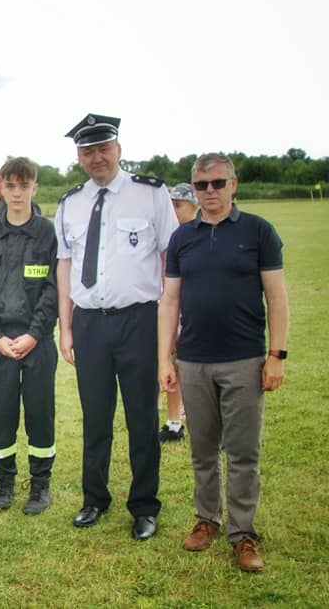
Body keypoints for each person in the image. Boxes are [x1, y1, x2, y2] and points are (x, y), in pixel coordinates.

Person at [159, 152, 288, 572]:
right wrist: (165, 356)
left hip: (245, 359)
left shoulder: (258, 231)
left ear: (233, 184)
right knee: (202, 449)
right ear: (193, 190)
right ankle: (206, 520)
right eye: (201, 185)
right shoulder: (182, 238)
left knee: (243, 452)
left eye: (217, 183)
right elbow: (171, 300)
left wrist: (276, 356)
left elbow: (277, 296)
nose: (209, 192)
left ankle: (243, 534)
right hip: (194, 361)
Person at [55, 114, 176, 540]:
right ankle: (94, 499)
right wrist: (65, 327)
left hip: (139, 321)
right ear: (79, 157)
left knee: (142, 417)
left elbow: (168, 259)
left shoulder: (151, 194)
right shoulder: (70, 203)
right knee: (96, 417)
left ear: (118, 149)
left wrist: (169, 326)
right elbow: (65, 266)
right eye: (87, 151)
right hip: (89, 323)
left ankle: (144, 506)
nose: (96, 157)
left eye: (103, 148)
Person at [0, 157, 58, 513]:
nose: (17, 193)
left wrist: (35, 334)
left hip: (35, 342)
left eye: (24, 186)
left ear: (34, 188)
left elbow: (54, 290)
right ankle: (5, 482)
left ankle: (40, 485)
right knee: (2, 413)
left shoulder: (48, 233)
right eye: (11, 186)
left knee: (40, 414)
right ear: (0, 188)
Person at [160, 182, 200, 443]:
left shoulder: (196, 237)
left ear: (194, 206)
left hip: (190, 312)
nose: (173, 210)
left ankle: (177, 421)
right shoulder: (167, 234)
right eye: (170, 205)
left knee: (181, 369)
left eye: (178, 205)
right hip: (162, 308)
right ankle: (169, 422)